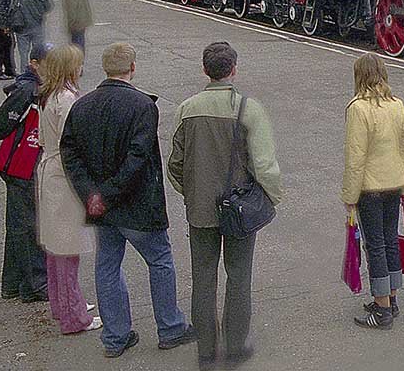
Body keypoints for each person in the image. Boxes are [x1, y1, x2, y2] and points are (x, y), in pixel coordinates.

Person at [59, 42, 195, 358]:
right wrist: (108, 192)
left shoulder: (82, 106)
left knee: (107, 266)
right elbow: (137, 157)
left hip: (101, 208)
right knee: (159, 261)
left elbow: (70, 154)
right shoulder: (143, 107)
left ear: (105, 69)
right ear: (132, 68)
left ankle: (116, 337)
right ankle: (170, 327)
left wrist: (92, 194)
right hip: (138, 204)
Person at [167, 42, 283, 368]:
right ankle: (234, 349)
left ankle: (206, 352)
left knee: (203, 279)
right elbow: (264, 165)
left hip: (200, 208)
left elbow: (176, 164)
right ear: (234, 69)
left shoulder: (187, 109)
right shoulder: (250, 110)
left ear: (205, 70)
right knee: (239, 277)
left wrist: (191, 192)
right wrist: (272, 197)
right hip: (241, 211)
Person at [341, 53, 404, 330]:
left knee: (376, 246)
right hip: (394, 183)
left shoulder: (358, 108)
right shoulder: (397, 105)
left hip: (370, 188)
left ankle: (381, 310)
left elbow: (355, 157)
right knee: (391, 241)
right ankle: (391, 300)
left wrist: (349, 196)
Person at [35, 45, 101, 335]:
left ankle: (62, 304)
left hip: (49, 170)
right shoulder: (67, 100)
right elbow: (74, 141)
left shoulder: (48, 95)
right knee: (69, 246)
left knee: (56, 247)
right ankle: (74, 315)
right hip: (64, 176)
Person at [0, 42, 49, 303]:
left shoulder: (31, 89)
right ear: (34, 64)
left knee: (17, 226)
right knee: (27, 227)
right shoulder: (28, 91)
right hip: (22, 166)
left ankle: (12, 283)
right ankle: (34, 283)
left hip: (18, 165)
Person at [13, 0, 53, 73]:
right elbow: (50, 6)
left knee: (23, 53)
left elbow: (12, 8)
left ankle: (24, 73)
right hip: (37, 25)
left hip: (22, 27)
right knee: (38, 51)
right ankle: (38, 72)